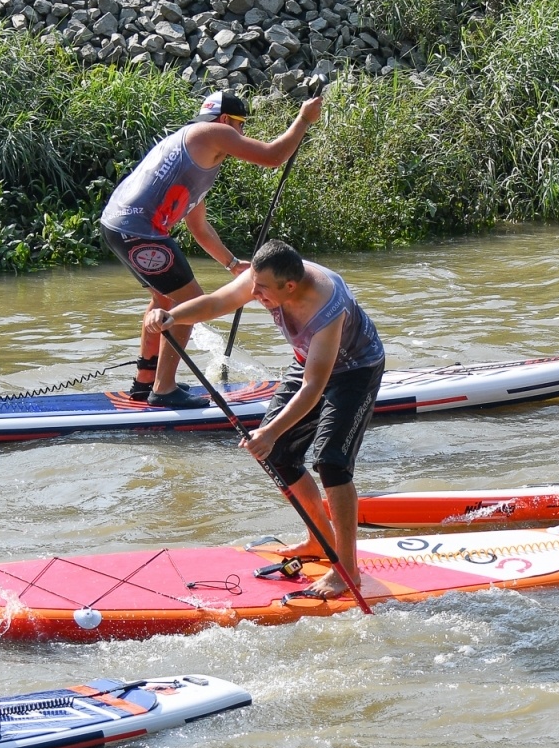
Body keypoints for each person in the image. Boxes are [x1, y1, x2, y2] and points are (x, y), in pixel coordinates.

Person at [144, 240, 384, 599]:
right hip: (308, 362)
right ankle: (319, 539)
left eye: (262, 290)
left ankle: (347, 569)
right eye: (254, 286)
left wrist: (269, 431)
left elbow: (313, 388)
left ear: (290, 286)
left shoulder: (325, 304)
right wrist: (173, 316)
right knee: (278, 454)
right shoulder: (265, 275)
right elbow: (216, 303)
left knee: (331, 462)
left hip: (354, 370)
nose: (254, 295)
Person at [101, 90, 323, 409]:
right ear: (224, 120)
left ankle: (144, 383)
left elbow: (199, 226)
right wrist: (303, 119)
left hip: (117, 226)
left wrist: (232, 264)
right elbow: (274, 157)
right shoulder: (213, 132)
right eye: (240, 124)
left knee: (164, 300)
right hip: (139, 230)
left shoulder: (197, 157)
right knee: (190, 303)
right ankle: (163, 390)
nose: (242, 133)